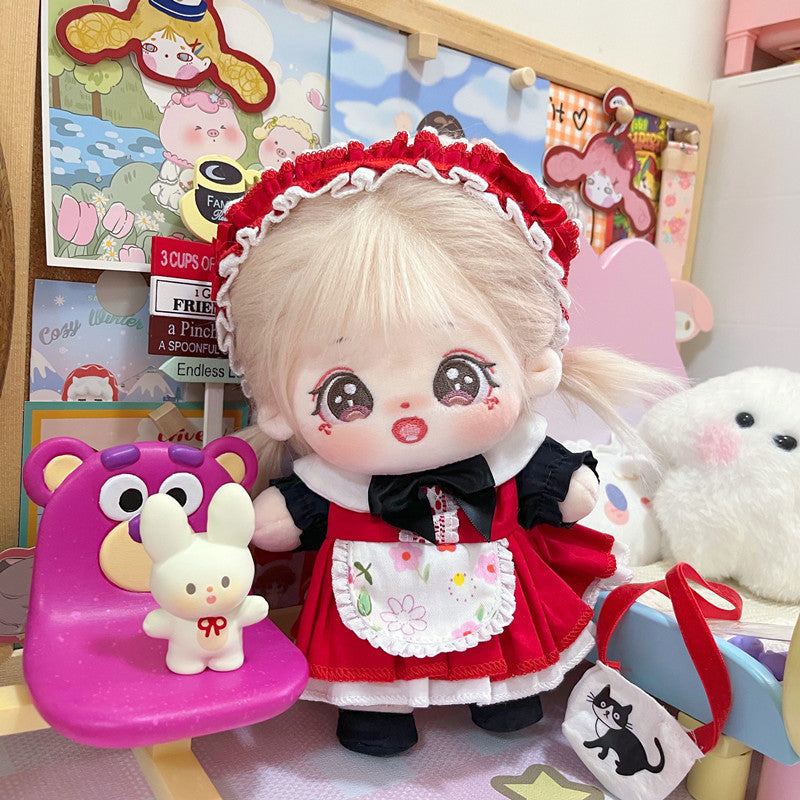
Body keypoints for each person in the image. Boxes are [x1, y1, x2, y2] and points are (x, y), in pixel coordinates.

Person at [214, 129, 672, 755]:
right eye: (346, 394)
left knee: (505, 648)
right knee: (373, 677)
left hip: (492, 587)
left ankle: (504, 693)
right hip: (372, 600)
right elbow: (284, 519)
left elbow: (564, 493)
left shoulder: (512, 457)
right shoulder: (335, 482)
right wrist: (270, 518)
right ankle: (380, 712)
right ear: (276, 408)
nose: (407, 410)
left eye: (459, 376)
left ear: (533, 364)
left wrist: (567, 485)